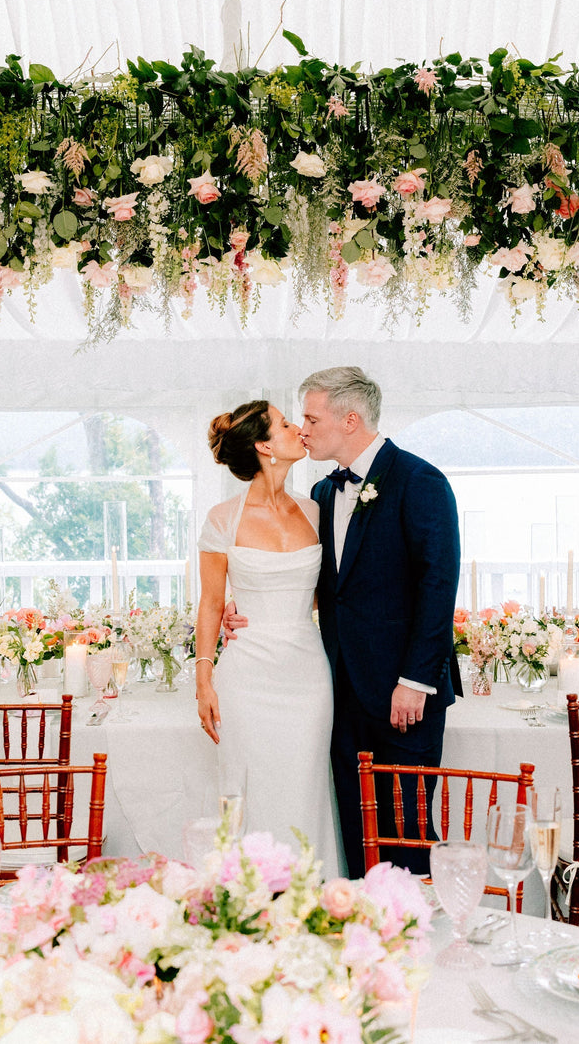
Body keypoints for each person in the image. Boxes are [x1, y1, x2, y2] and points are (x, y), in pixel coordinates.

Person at [225, 366, 460, 877]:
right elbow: (325, 588)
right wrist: (246, 607)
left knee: (407, 833)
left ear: (350, 419)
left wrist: (415, 682)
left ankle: (411, 941)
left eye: (310, 417)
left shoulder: (420, 481)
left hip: (404, 695)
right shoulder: (324, 495)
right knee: (355, 832)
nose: (303, 429)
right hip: (338, 691)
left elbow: (438, 588)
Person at [194, 399, 342, 876]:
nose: (298, 428)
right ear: (264, 446)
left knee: (305, 787)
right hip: (246, 678)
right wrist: (204, 678)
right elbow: (212, 604)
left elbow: (324, 595)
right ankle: (249, 911)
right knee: (249, 792)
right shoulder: (223, 519)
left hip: (306, 673)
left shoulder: (317, 510)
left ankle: (313, 907)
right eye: (284, 423)